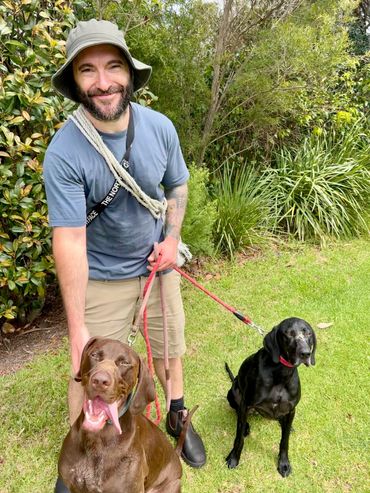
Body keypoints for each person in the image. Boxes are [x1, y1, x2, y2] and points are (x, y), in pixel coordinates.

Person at [43, 19, 206, 492]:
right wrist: (78, 332)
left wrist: (172, 238)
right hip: (103, 277)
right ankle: (82, 453)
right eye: (88, 70)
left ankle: (176, 417)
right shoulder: (65, 151)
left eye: (113, 66)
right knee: (92, 374)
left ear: (130, 73)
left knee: (169, 352)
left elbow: (177, 184)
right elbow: (70, 240)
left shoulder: (160, 128)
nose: (103, 81)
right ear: (75, 82)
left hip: (157, 268)